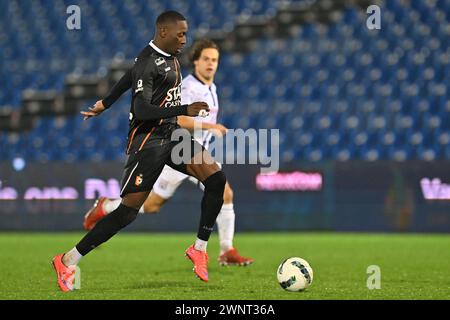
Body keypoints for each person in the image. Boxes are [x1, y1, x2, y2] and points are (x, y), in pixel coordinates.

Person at [52, 11, 226, 292]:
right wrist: (184, 109)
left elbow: (129, 75)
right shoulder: (149, 61)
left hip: (172, 135)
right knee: (127, 214)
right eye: (180, 34)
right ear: (163, 32)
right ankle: (67, 260)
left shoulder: (166, 54)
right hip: (148, 143)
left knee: (216, 179)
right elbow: (141, 110)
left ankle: (199, 249)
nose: (184, 39)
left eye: (185, 33)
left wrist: (106, 102)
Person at [82, 39, 254, 266]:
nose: (211, 64)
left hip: (197, 154)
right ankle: (107, 206)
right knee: (150, 206)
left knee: (224, 192)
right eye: (206, 59)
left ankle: (226, 251)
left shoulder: (212, 88)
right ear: (195, 61)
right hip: (177, 150)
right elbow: (177, 118)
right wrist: (211, 127)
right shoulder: (188, 87)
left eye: (215, 60)